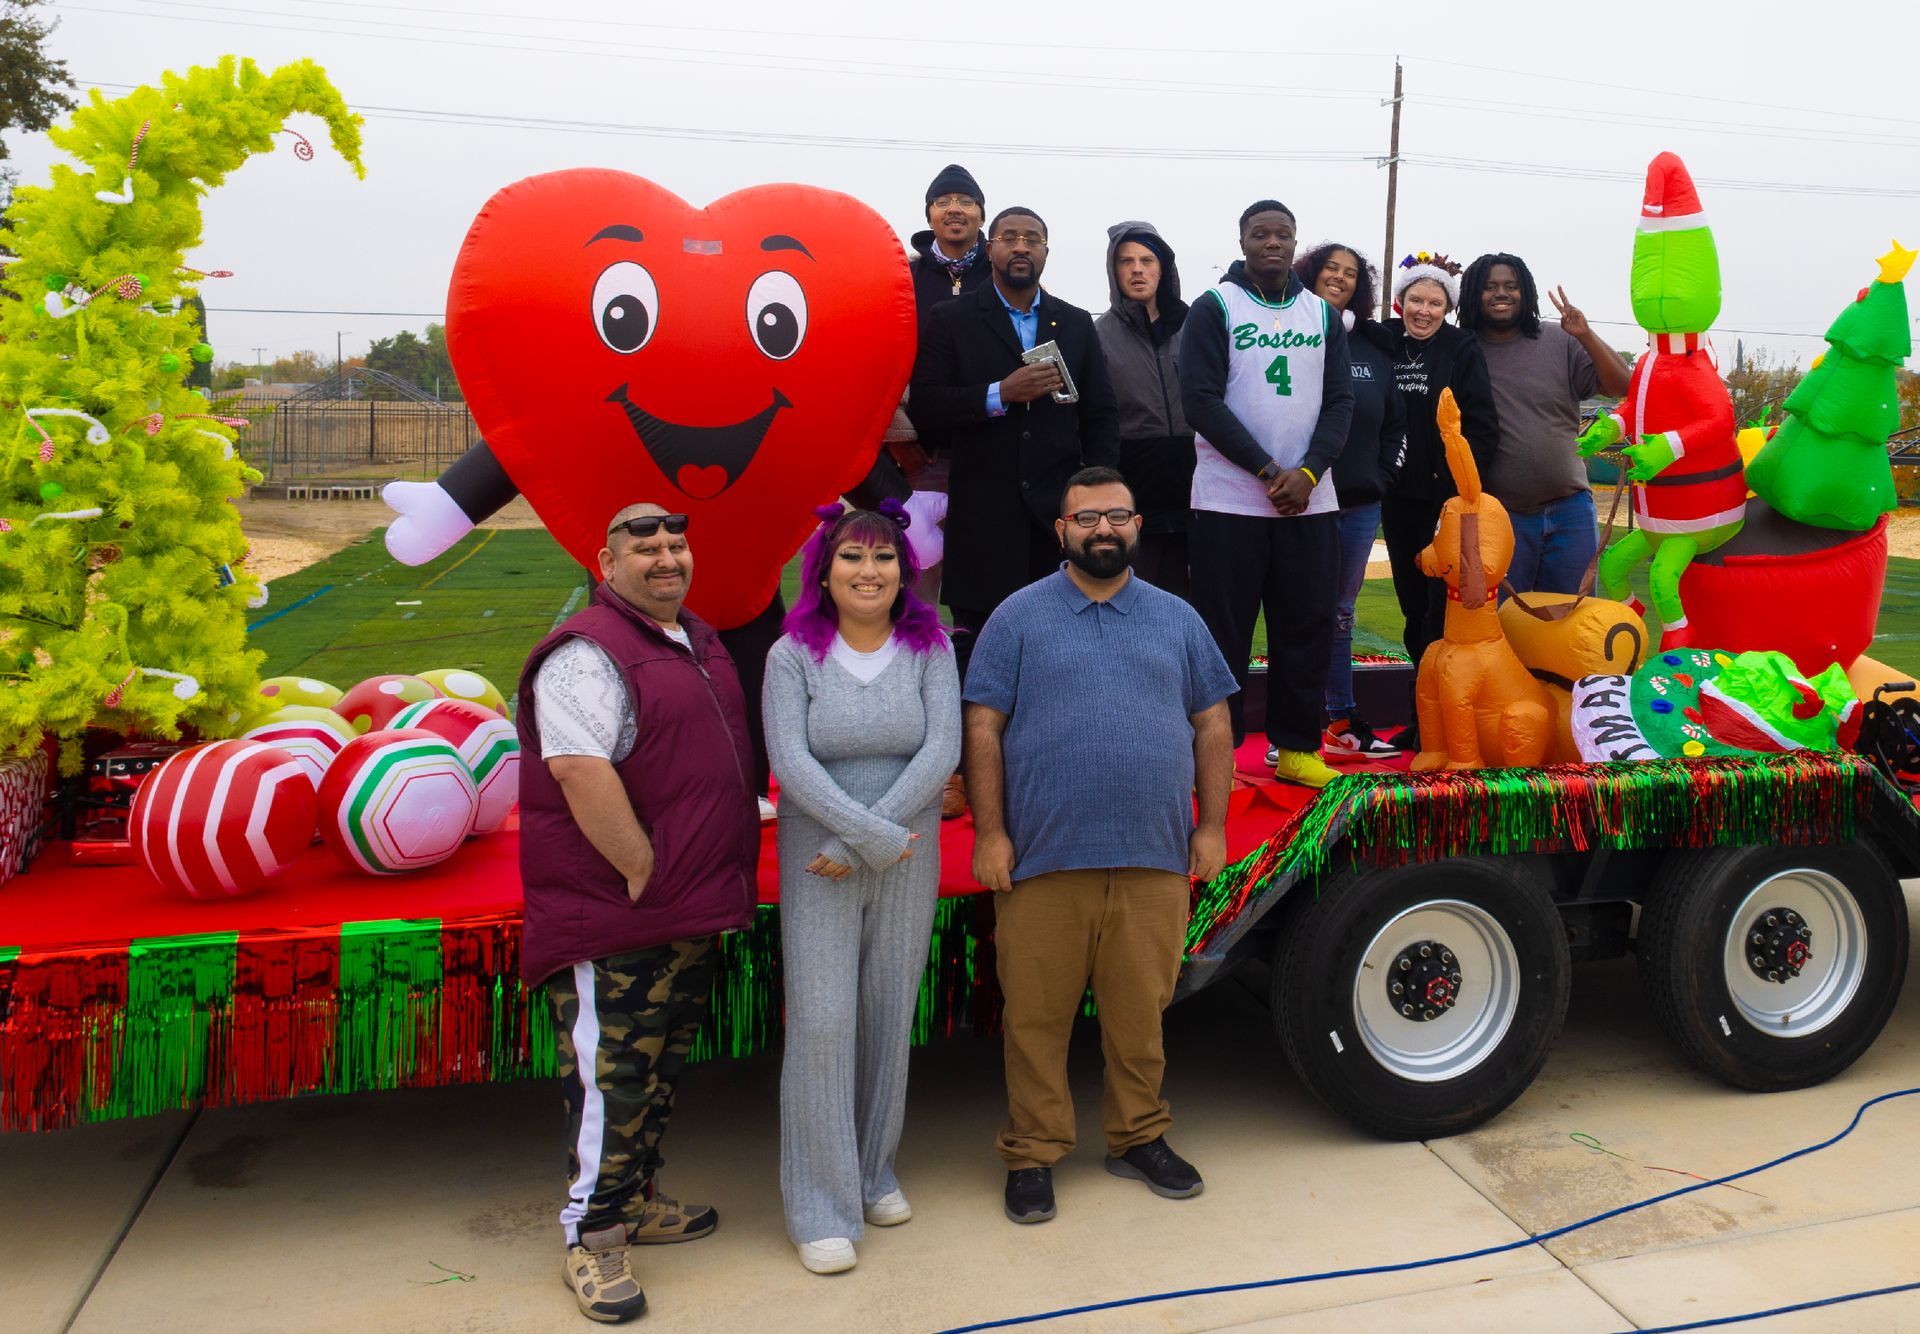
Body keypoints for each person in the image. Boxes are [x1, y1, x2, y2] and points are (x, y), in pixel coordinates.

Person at [963, 466, 1236, 1226]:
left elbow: (1214, 725)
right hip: (1045, 858)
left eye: (1117, 516)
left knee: (1139, 1015)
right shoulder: (1016, 618)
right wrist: (991, 833)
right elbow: (982, 726)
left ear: (1139, 525)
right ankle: (1032, 1150)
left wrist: (1210, 826)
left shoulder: (1178, 619)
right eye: (1086, 519)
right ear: (1061, 531)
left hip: (1154, 857)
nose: (1103, 530)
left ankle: (1137, 1137)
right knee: (1036, 1019)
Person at [516, 502, 760, 1325]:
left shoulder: (693, 638)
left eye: (675, 543)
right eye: (642, 546)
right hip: (621, 911)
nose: (664, 557)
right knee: (610, 1083)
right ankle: (592, 1240)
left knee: (657, 1074)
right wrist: (641, 867)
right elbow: (581, 771)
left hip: (688, 906)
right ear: (605, 561)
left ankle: (637, 1199)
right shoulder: (587, 652)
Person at [761, 500, 962, 1276]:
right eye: (852, 557)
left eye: (883, 557)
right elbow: (790, 758)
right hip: (824, 863)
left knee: (886, 1017)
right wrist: (867, 836)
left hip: (907, 857)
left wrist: (874, 840)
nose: (868, 571)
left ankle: (872, 1171)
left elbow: (942, 745)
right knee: (821, 1024)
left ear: (903, 569)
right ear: (824, 569)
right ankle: (819, 1205)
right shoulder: (792, 655)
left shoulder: (931, 646)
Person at [1179, 199, 1355, 789]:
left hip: (1310, 499)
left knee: (1304, 626)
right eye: (1261, 233)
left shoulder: (1323, 315)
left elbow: (1340, 403)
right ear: (1243, 240)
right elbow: (1201, 400)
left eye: (1282, 234)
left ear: (1295, 241)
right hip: (1229, 498)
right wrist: (1265, 468)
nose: (1272, 242)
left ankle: (1297, 746)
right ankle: (1218, 751)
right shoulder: (1214, 307)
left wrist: (1307, 473)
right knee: (1222, 631)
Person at [908, 205, 1120, 682]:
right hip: (983, 523)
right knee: (985, 667)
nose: (1021, 246)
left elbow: (1101, 416)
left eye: (1032, 238)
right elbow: (926, 406)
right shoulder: (953, 318)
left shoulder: (1075, 323)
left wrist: (1100, 494)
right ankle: (980, 758)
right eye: (1009, 237)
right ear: (991, 247)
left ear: (1046, 251)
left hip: (1056, 525)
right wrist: (999, 394)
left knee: (1064, 662)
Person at [1293, 242, 1408, 761]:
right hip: (1298, 500)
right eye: (1330, 269)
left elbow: (1395, 422)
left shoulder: (1375, 344)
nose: (1339, 277)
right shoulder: (1289, 333)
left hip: (1359, 503)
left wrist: (1381, 477)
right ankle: (1290, 728)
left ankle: (1341, 721)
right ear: (1310, 275)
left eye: (1351, 273)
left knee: (1340, 614)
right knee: (1297, 610)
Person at [1459, 252, 1632, 595]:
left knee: (1569, 627)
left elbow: (1621, 387)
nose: (1501, 293)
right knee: (1504, 628)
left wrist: (1585, 335)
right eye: (1490, 287)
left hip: (1569, 509)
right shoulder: (1462, 349)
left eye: (1511, 285)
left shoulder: (1559, 339)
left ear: (1526, 292)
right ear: (1473, 294)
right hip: (1499, 512)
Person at [1372, 253, 1501, 680]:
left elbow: (1482, 428)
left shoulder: (1459, 349)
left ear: (1446, 310)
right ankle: (1421, 706)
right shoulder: (1384, 341)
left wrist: (1460, 489)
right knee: (1411, 605)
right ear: (1400, 303)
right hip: (1397, 497)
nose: (1423, 311)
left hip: (1445, 502)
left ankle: (1442, 708)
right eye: (1416, 301)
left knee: (1441, 606)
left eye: (1434, 303)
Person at [1094, 220, 1194, 597]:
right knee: (1132, 600)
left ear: (1163, 268)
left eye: (1147, 260)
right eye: (1126, 260)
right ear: (1113, 269)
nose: (1137, 269)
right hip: (1132, 495)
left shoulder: (1194, 328)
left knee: (1191, 607)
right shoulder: (1098, 335)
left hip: (1193, 494)